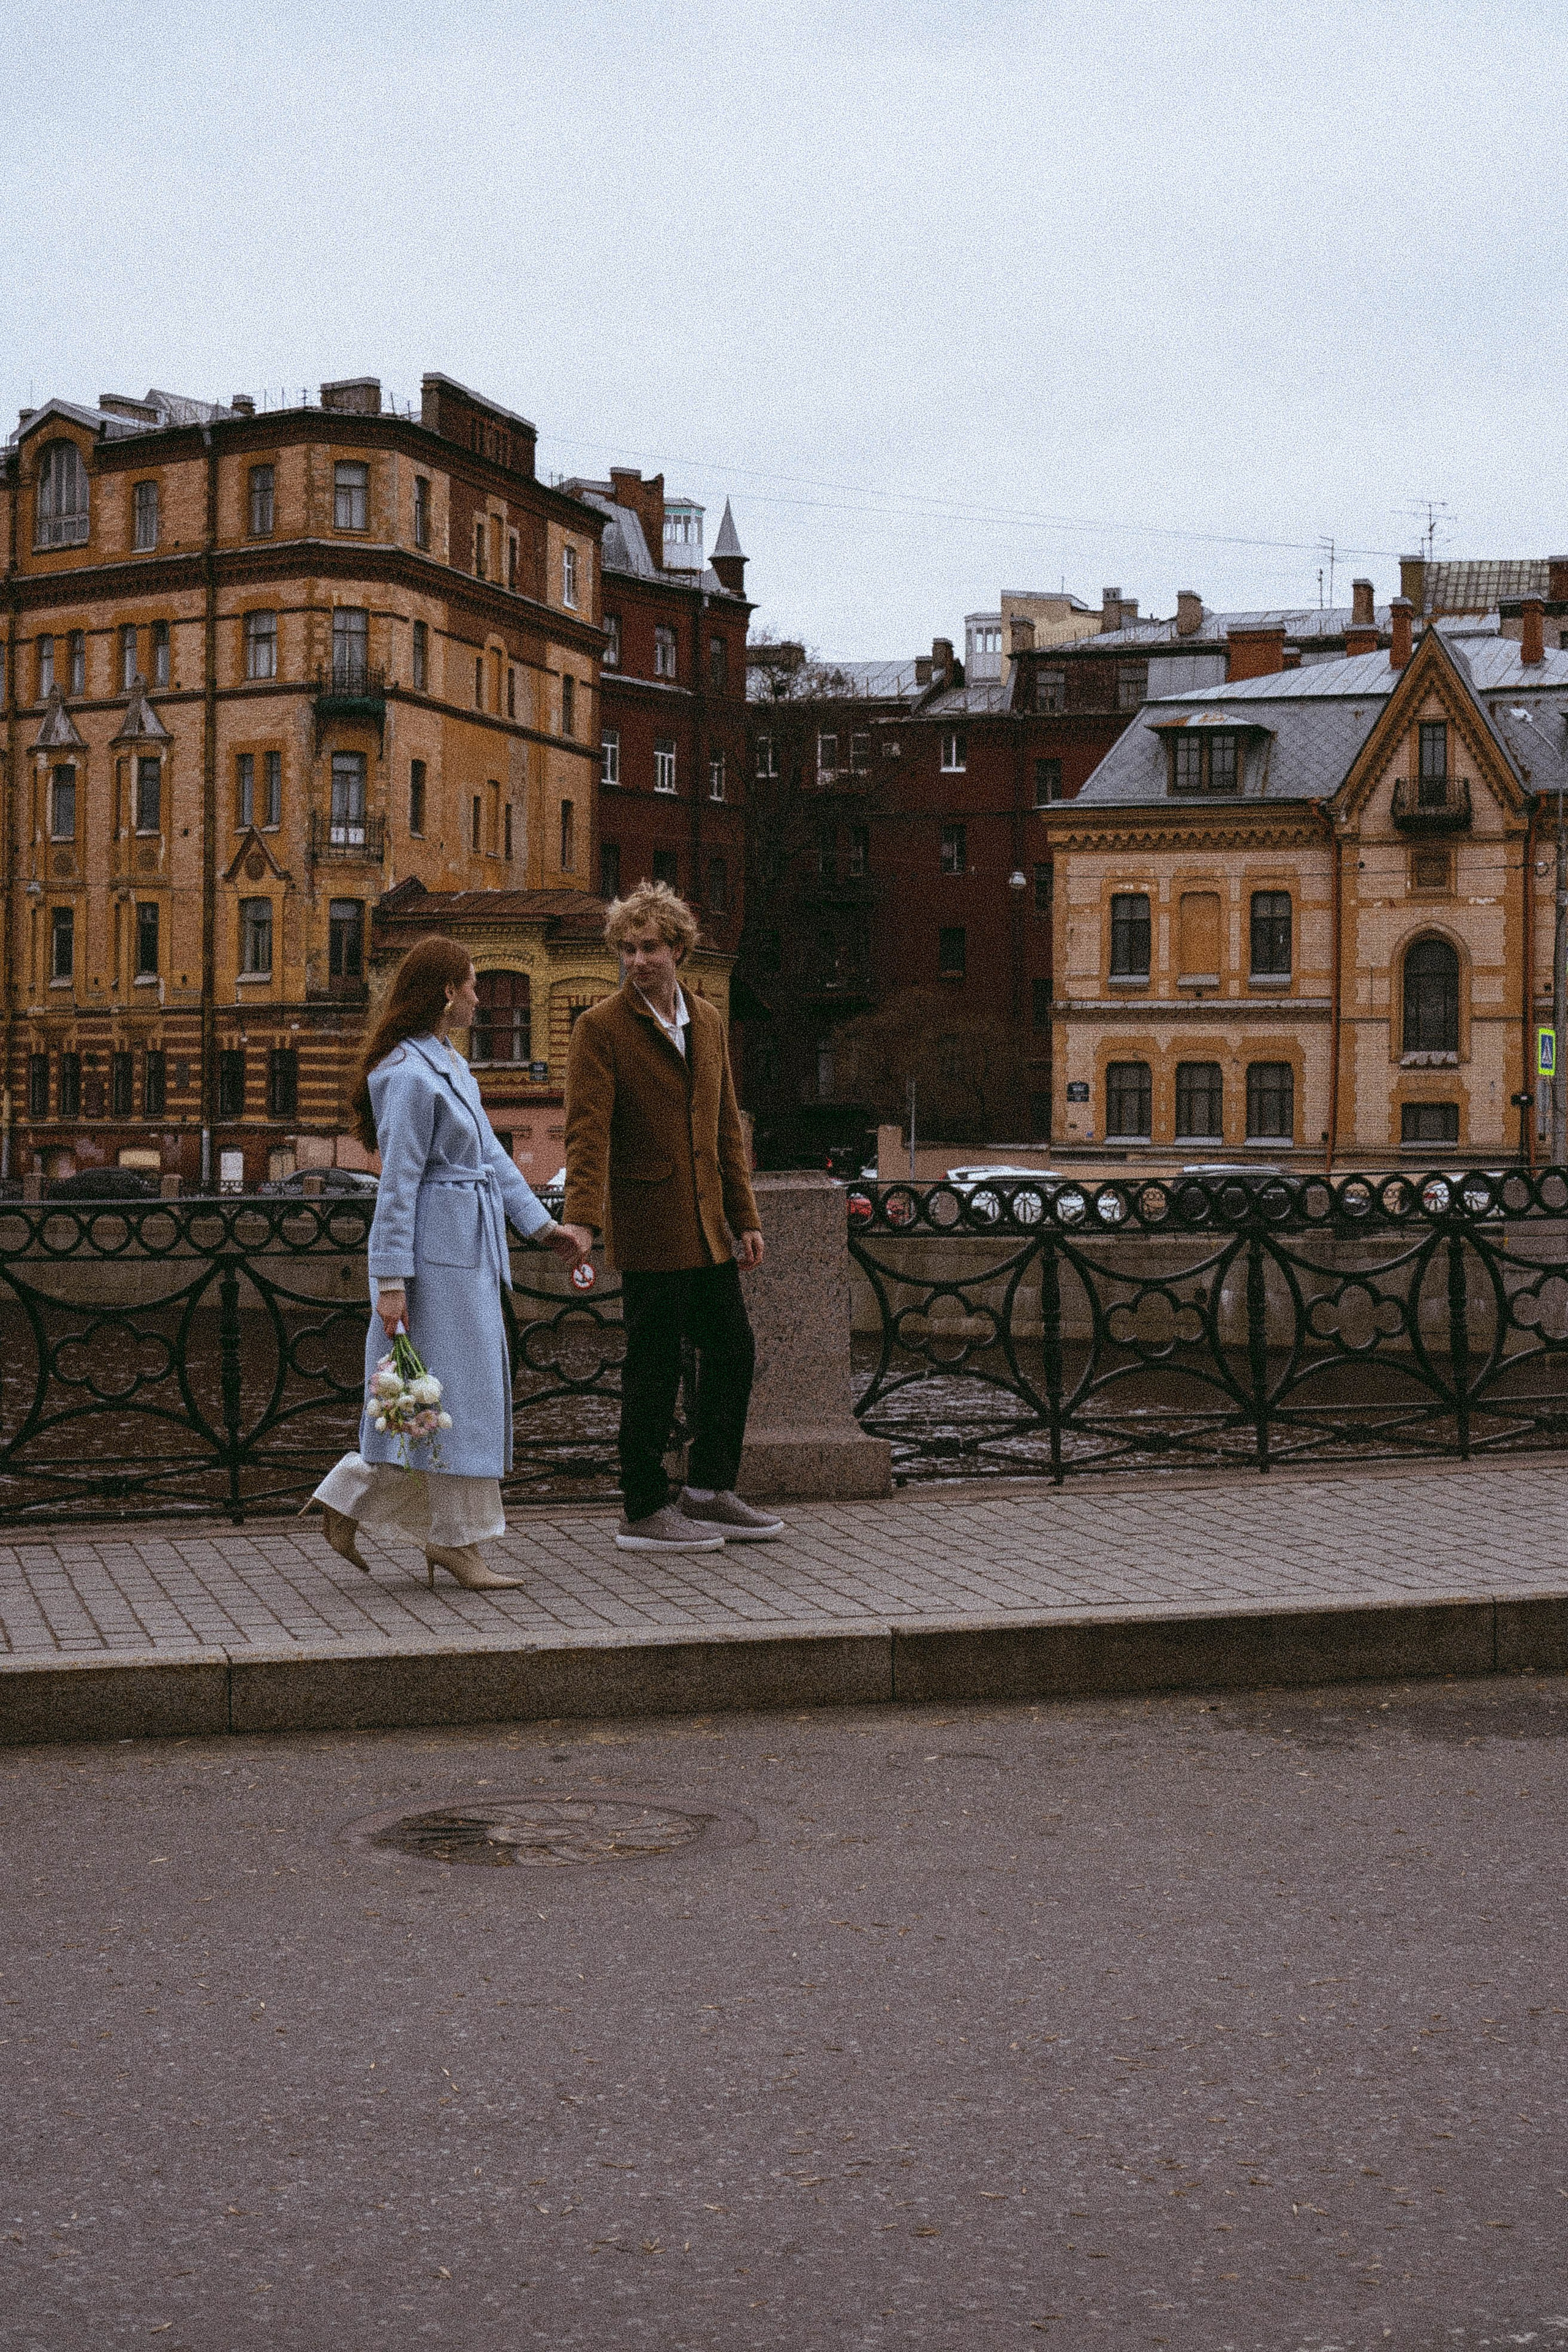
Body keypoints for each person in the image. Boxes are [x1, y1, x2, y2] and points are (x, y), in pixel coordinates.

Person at [311, 936, 584, 1589]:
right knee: (448, 1396)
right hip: (438, 1256)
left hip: (464, 1247)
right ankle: (454, 1542)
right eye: (471, 984)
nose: (478, 996)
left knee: (448, 1397)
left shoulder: (447, 1065)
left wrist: (542, 1225)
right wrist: (391, 1283)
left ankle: (353, 1502)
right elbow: (398, 1184)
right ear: (445, 992)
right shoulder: (406, 1075)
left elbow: (490, 1156)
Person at [560, 880, 785, 1552]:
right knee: (652, 1367)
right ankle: (642, 1505)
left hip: (711, 1223)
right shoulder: (599, 1028)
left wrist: (745, 1217)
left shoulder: (709, 1021)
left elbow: (723, 1129)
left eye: (650, 947)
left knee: (732, 1352)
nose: (638, 961)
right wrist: (583, 1222)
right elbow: (586, 1133)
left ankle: (710, 1491)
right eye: (626, 950)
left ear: (679, 948)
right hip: (650, 1219)